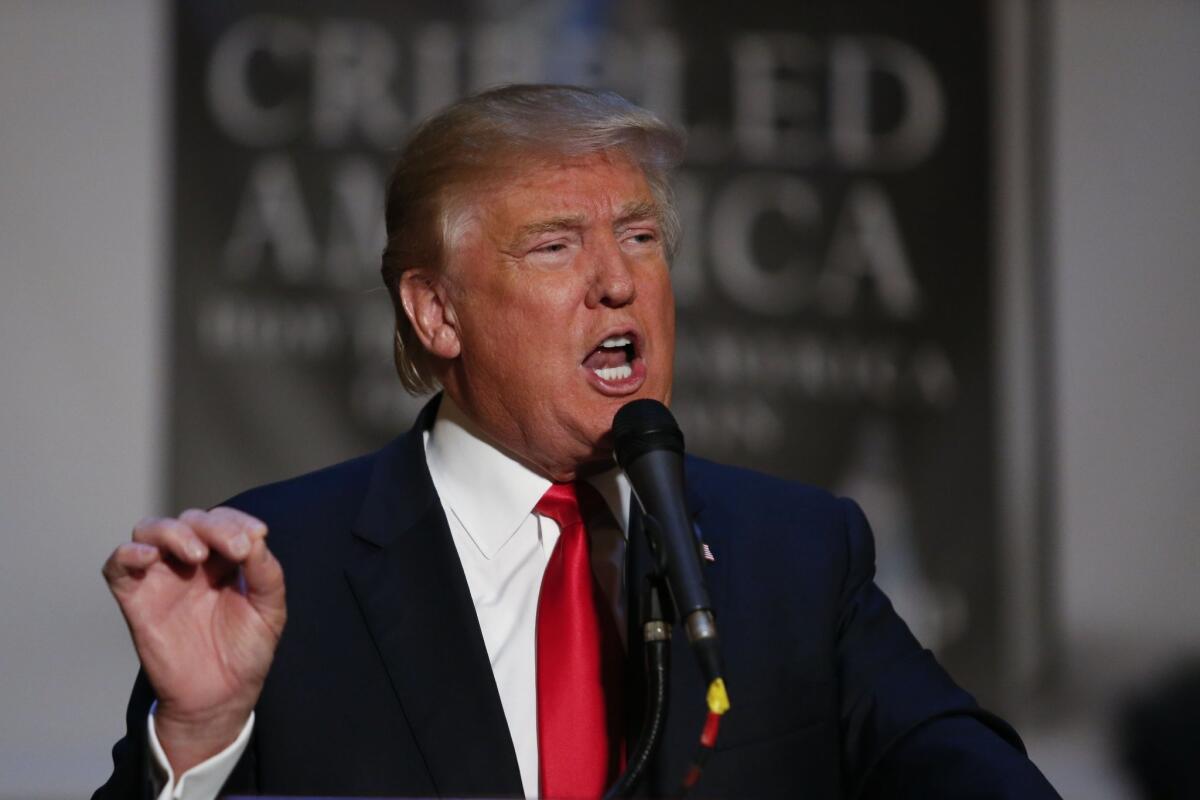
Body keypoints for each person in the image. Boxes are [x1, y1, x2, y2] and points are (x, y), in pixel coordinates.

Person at [95, 84, 1059, 799]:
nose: (617, 282)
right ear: (436, 311)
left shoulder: (794, 552)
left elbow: (974, 777)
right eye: (556, 246)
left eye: (639, 236)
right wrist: (199, 736)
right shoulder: (278, 568)